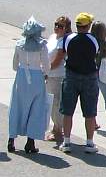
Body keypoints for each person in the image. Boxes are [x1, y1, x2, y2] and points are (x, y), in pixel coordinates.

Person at [53, 12, 100, 153]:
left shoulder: (68, 38)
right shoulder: (94, 39)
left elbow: (64, 52)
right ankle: (89, 143)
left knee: (67, 111)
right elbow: (95, 54)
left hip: (71, 75)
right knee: (90, 112)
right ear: (88, 25)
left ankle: (66, 142)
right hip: (89, 77)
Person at [8, 17, 49, 154]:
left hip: (21, 77)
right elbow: (47, 66)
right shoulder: (42, 45)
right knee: (36, 108)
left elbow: (14, 65)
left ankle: (11, 139)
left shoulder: (19, 44)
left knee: (16, 107)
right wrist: (44, 73)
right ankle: (30, 142)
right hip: (37, 77)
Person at [46, 16, 71, 142]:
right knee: (51, 103)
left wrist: (45, 71)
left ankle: (58, 129)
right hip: (49, 75)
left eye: (60, 26)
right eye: (56, 24)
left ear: (66, 29)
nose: (57, 27)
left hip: (58, 75)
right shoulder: (52, 37)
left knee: (57, 103)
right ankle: (55, 128)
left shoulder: (64, 41)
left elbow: (57, 61)